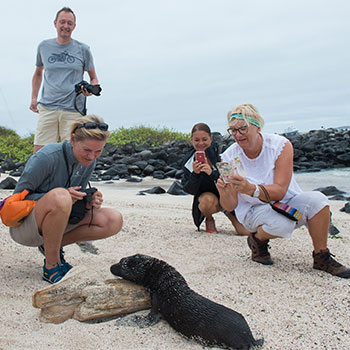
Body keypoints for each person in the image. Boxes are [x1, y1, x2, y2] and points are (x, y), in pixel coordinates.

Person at [217, 103, 350, 278]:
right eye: (233, 131)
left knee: (319, 201)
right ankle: (258, 239)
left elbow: (280, 190)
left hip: (285, 200)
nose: (237, 135)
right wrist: (224, 193)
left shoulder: (280, 145)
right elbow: (230, 204)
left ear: (257, 126)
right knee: (283, 224)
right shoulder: (228, 157)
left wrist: (250, 188)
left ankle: (321, 256)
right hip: (253, 210)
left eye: (243, 129)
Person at [9, 114, 123, 283]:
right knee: (61, 196)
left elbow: (77, 195)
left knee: (113, 219)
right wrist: (60, 195)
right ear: (72, 139)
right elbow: (16, 199)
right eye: (87, 150)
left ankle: (50, 247)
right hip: (25, 227)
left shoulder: (88, 161)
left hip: (59, 222)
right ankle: (51, 266)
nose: (92, 157)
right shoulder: (46, 157)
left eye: (98, 151)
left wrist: (88, 199)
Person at [30, 7, 99, 153]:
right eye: (62, 22)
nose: (65, 26)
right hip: (48, 107)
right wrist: (33, 98)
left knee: (73, 153)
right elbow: (37, 73)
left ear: (74, 26)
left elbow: (93, 78)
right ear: (55, 23)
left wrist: (91, 89)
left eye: (69, 23)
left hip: (73, 110)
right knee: (40, 154)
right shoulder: (44, 47)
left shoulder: (83, 49)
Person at [181, 122, 249, 235]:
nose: (201, 143)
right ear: (191, 140)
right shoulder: (189, 161)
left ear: (211, 138)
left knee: (245, 232)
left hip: (228, 196)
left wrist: (212, 173)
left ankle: (228, 212)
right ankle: (209, 218)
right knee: (205, 201)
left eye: (204, 139)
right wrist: (196, 174)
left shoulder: (221, 155)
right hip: (208, 199)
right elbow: (189, 190)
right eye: (197, 140)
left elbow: (230, 179)